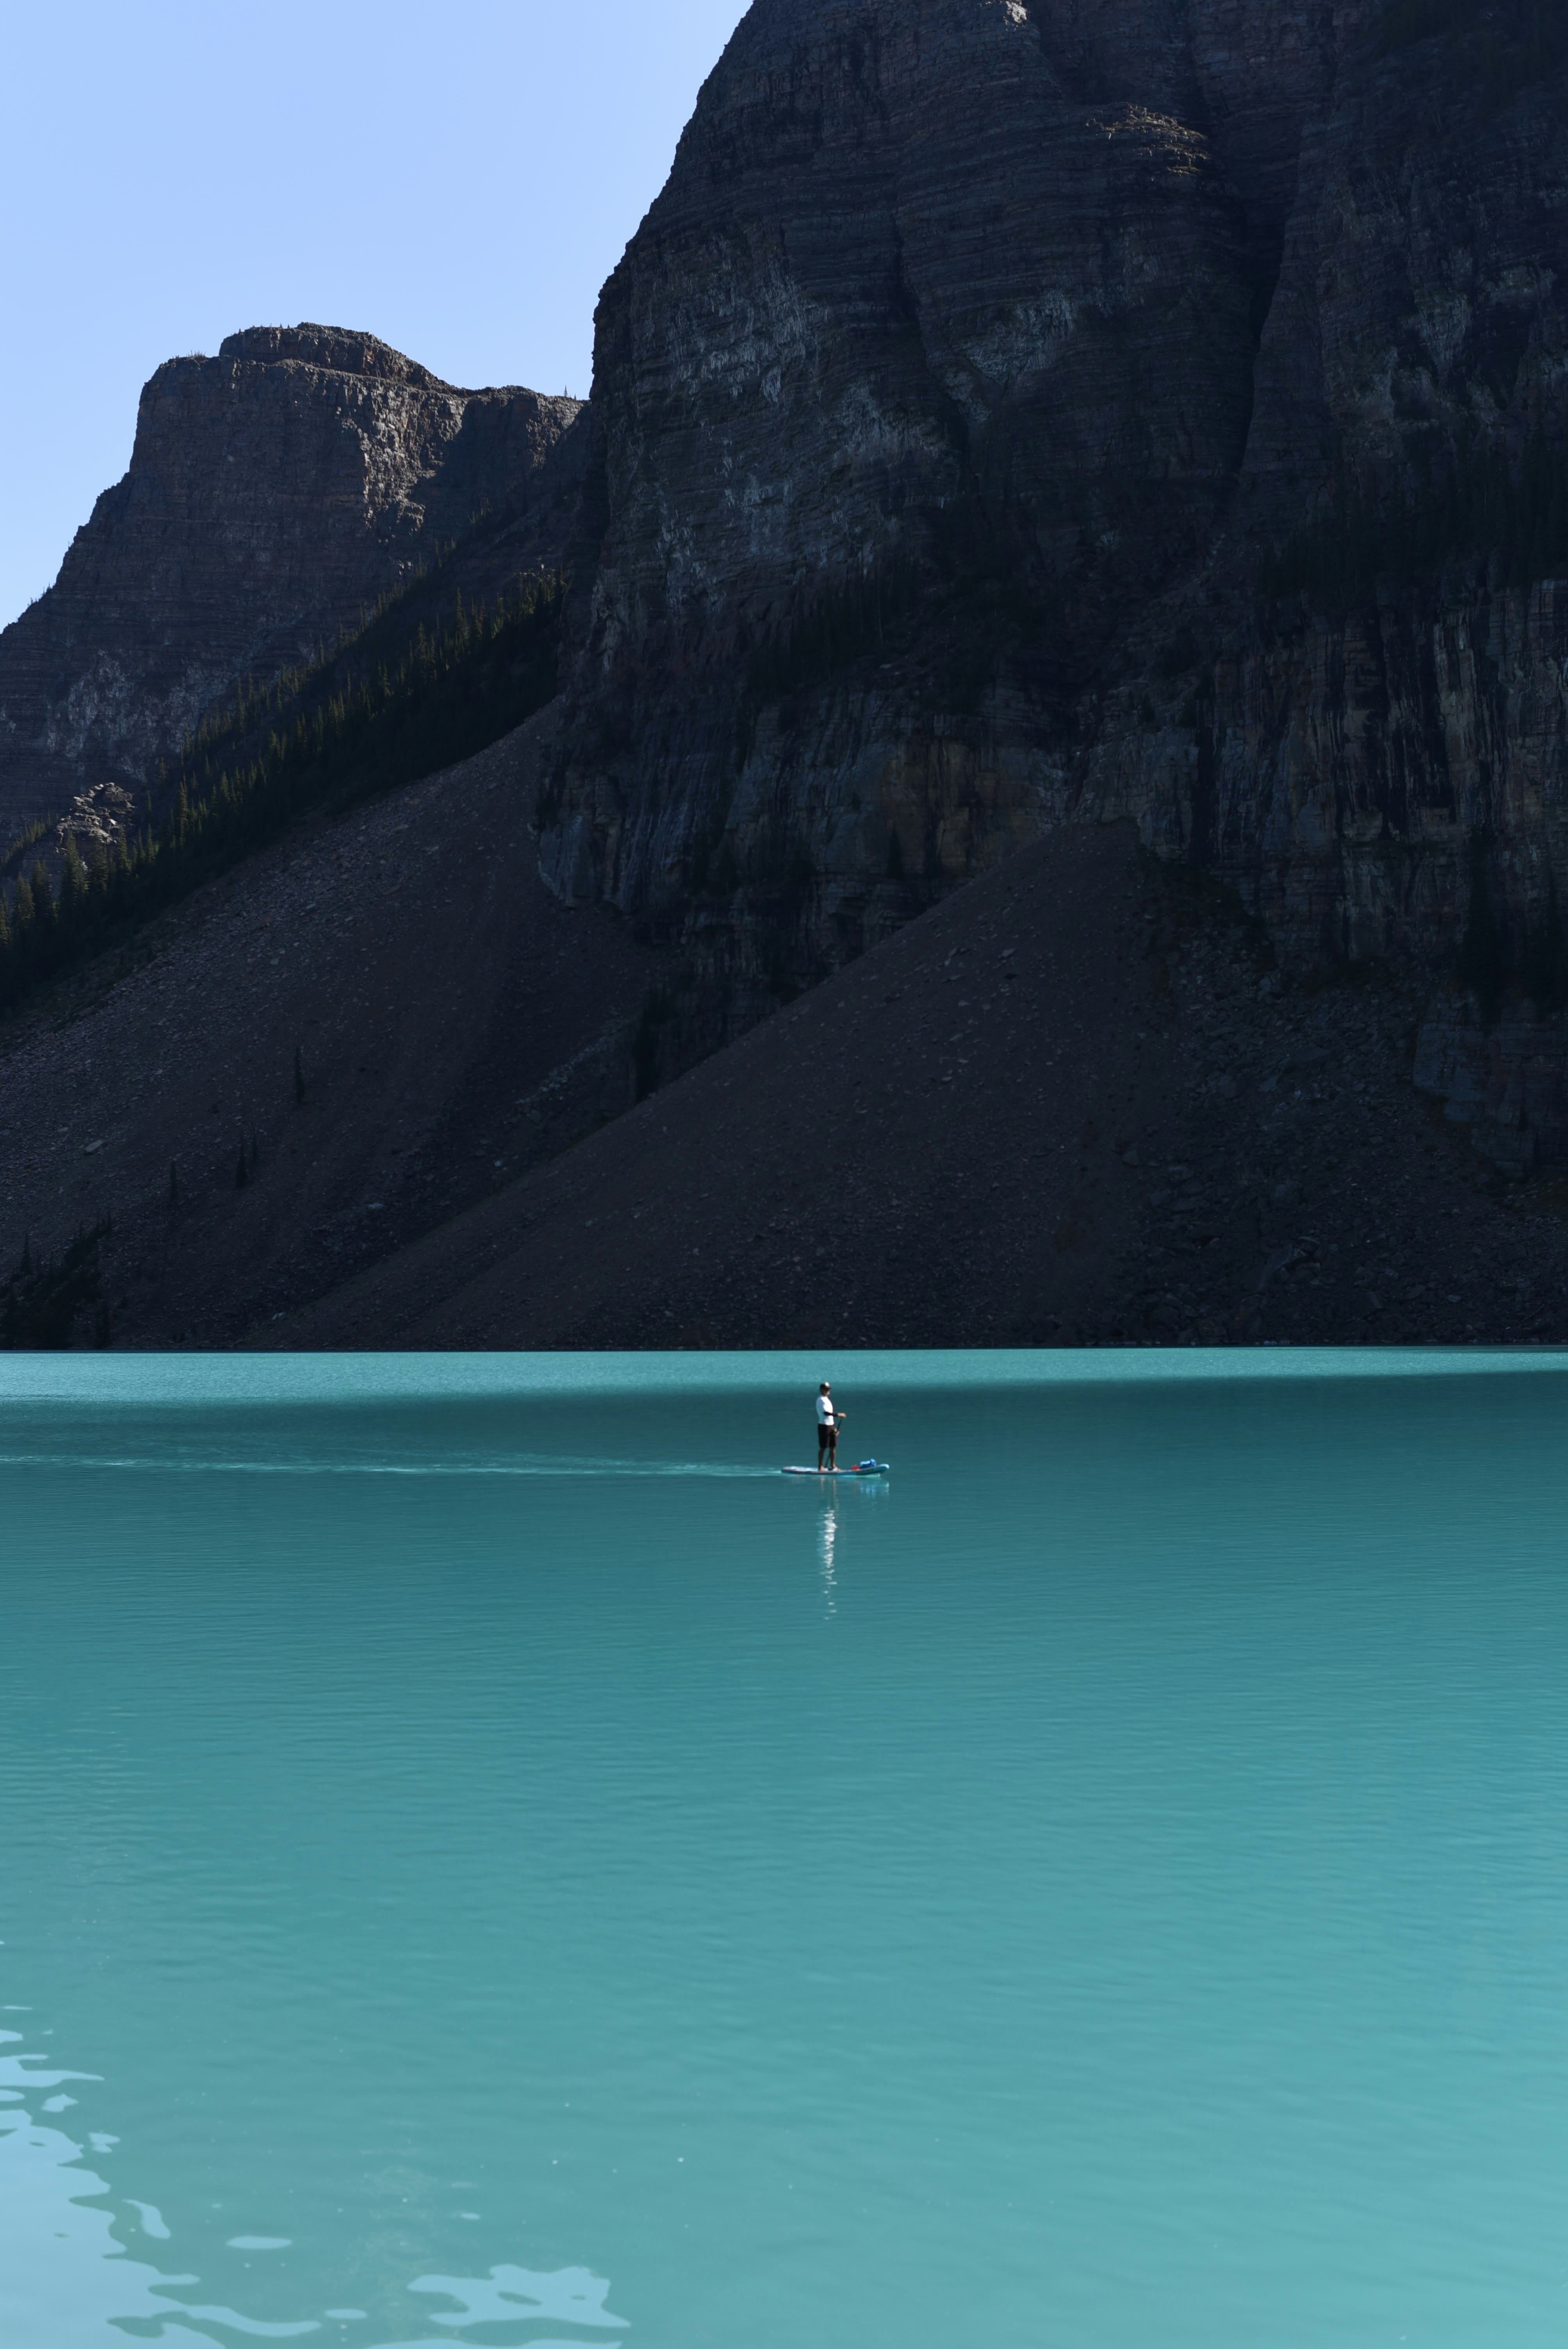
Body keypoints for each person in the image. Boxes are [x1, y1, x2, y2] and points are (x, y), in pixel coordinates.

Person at [816, 1381, 845, 1472]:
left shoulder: (827, 1400)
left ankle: (833, 1466)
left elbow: (830, 1417)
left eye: (828, 1389)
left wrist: (835, 1428)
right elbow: (826, 1413)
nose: (827, 1391)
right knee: (824, 1447)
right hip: (824, 1426)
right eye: (826, 1389)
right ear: (821, 1390)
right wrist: (838, 1414)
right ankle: (820, 1467)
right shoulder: (821, 1400)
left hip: (831, 1426)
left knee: (833, 1446)